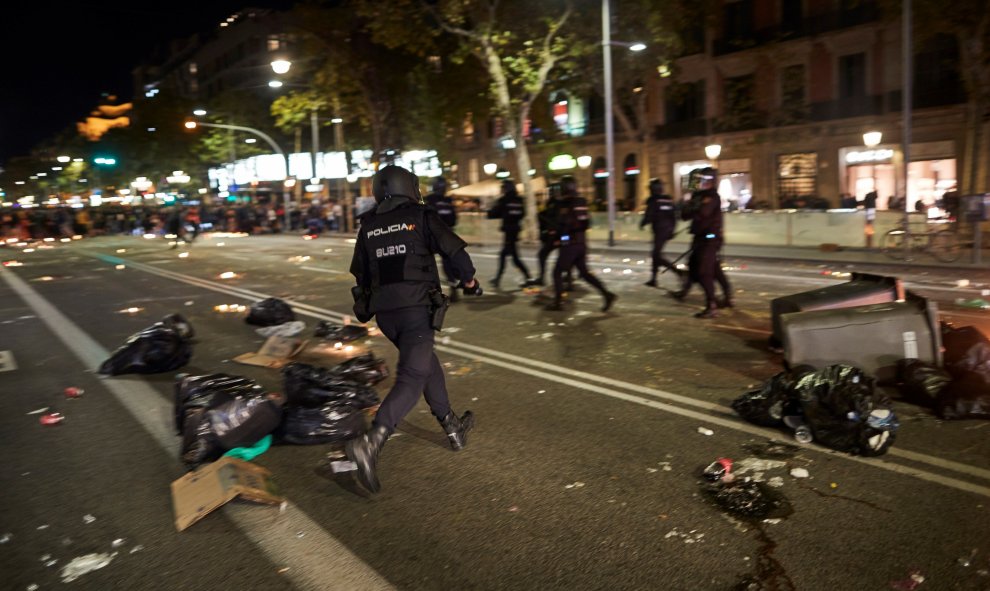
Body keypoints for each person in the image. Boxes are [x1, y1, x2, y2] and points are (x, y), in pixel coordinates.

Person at [345, 165, 482, 493]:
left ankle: (452, 426)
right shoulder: (420, 216)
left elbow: (360, 274)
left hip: (386, 317)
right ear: (410, 187)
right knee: (412, 375)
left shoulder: (369, 225)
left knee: (425, 366)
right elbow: (455, 252)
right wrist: (469, 280)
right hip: (416, 312)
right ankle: (372, 441)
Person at [546, 176, 617, 312]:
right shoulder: (582, 201)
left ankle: (558, 302)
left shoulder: (566, 204)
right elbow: (586, 223)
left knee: (557, 272)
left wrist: (562, 242)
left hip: (571, 244)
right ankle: (607, 294)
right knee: (584, 273)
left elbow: (565, 227)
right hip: (581, 243)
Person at [673, 168, 730, 318]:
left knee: (704, 272)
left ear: (710, 181)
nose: (699, 184)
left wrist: (692, 206)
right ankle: (726, 297)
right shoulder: (697, 196)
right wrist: (685, 205)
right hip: (699, 238)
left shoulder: (712, 196)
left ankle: (712, 305)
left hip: (710, 239)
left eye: (702, 180)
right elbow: (685, 215)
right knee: (697, 268)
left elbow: (703, 213)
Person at [488, 179, 531, 289]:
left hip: (508, 231)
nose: (501, 190)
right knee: (508, 255)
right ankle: (498, 279)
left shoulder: (504, 200)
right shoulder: (519, 200)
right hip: (516, 230)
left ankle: (528, 277)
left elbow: (494, 213)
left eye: (503, 187)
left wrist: (489, 209)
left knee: (512, 257)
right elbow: (523, 214)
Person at [424, 176, 460, 300]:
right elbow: (454, 219)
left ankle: (430, 290)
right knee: (448, 261)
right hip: (448, 234)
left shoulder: (430, 200)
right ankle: (453, 283)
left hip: (434, 235)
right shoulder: (448, 201)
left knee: (427, 261)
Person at [640, 178, 680, 287]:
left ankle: (677, 272)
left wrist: (642, 223)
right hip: (667, 230)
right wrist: (672, 230)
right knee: (656, 254)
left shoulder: (654, 200)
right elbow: (675, 216)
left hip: (659, 231)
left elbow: (649, 215)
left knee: (656, 255)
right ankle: (653, 279)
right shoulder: (668, 200)